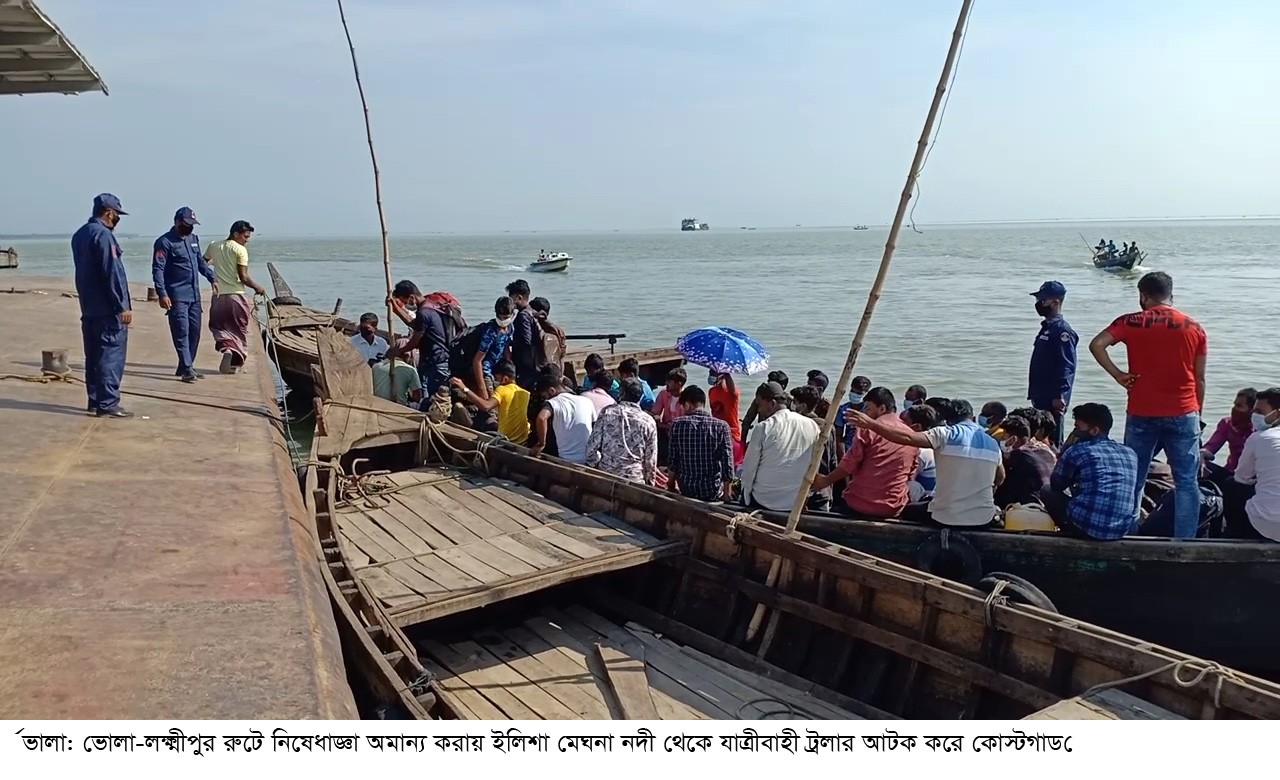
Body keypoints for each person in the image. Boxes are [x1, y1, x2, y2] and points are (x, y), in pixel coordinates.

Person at [1089, 271, 1207, 539]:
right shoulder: (1194, 327)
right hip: (1184, 410)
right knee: (1186, 482)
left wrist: (1118, 375)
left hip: (1142, 411)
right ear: (1170, 295)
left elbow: (1097, 345)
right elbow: (1200, 378)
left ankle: (1129, 534)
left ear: (1143, 295)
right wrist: (1197, 414)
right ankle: (1185, 541)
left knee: (1135, 477)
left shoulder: (1130, 321)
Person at [846, 398, 1003, 528]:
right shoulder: (993, 444)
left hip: (945, 517)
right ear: (973, 417)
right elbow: (1000, 477)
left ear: (947, 421)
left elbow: (907, 438)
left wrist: (871, 424)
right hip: (983, 518)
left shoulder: (945, 434)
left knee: (907, 510)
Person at [72, 193, 133, 418]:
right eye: (117, 215)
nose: (117, 220)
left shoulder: (80, 234)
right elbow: (112, 272)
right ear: (109, 213)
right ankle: (108, 403)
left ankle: (95, 400)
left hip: (89, 307)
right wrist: (122, 305)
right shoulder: (104, 236)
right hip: (108, 310)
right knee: (110, 355)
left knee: (94, 356)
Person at [812, 387, 917, 518]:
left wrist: (825, 481)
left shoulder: (867, 429)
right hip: (894, 506)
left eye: (868, 409)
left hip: (860, 504)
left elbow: (849, 464)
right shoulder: (911, 435)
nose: (865, 414)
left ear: (882, 409)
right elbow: (911, 474)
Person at [1041, 403, 1139, 540]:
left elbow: (1056, 484)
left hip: (1089, 528)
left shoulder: (1077, 450)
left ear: (1094, 431)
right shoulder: (1129, 453)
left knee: (1047, 491)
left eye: (1077, 428)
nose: (1074, 432)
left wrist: (1065, 451)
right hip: (1120, 530)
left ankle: (1069, 534)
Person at [152, 206, 216, 383]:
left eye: (192, 224)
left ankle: (186, 366)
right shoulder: (164, 242)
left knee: (194, 332)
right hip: (176, 295)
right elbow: (158, 269)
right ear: (177, 222)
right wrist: (162, 293)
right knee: (181, 331)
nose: (190, 227)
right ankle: (187, 368)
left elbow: (200, 263)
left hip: (194, 295)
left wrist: (212, 277)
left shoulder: (193, 239)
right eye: (187, 224)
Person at [740, 381, 820, 511]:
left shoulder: (764, 427)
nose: (759, 410)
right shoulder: (812, 425)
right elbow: (813, 465)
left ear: (772, 403)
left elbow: (749, 470)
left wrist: (745, 498)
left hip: (763, 499)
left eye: (760, 405)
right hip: (795, 501)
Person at [205, 220, 264, 373]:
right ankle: (235, 363)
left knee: (219, 327)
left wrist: (214, 268)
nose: (247, 240)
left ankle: (227, 350)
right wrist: (258, 287)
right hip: (235, 297)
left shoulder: (214, 245)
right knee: (238, 329)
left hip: (218, 297)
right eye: (245, 236)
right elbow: (243, 277)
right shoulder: (240, 250)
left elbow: (203, 263)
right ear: (236, 234)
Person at [1027, 281, 1078, 447]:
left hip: (1053, 398)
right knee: (1040, 439)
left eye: (1042, 300)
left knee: (1053, 441)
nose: (1038, 304)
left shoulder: (1062, 330)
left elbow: (1067, 365)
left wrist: (1061, 395)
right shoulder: (1047, 327)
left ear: (1055, 302)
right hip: (1040, 394)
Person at [385, 280, 451, 404]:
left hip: (437, 360)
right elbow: (414, 324)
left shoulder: (424, 312)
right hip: (428, 360)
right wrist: (396, 309)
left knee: (435, 398)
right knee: (424, 395)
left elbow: (415, 340)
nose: (406, 305)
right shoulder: (428, 306)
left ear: (411, 297)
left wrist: (398, 351)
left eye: (405, 302)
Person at [665, 385, 735, 502]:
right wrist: (727, 494)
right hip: (712, 491)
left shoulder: (677, 424)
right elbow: (727, 464)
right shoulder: (722, 426)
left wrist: (671, 486)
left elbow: (673, 460)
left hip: (686, 489)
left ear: (687, 405)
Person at [585, 378, 658, 484]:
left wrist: (596, 465)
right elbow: (651, 459)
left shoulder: (607, 412)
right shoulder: (648, 421)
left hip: (606, 475)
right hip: (634, 479)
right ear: (641, 396)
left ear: (621, 394)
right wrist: (650, 483)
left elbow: (591, 448)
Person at [1235, 388, 1280, 541]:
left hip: (1266, 523)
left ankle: (1235, 536)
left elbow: (1241, 478)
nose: (1254, 416)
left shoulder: (1259, 437)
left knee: (1232, 486)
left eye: (1259, 412)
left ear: (1277, 414)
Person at [451, 361, 530, 444]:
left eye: (497, 378)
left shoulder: (503, 389)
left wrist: (464, 388)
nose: (496, 381)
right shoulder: (525, 393)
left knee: (459, 407)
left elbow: (486, 406)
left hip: (505, 439)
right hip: (523, 440)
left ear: (505, 378)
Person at [529, 373, 598, 464]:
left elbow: (542, 418)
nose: (544, 399)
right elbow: (595, 428)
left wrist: (541, 444)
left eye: (544, 396)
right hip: (591, 459)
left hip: (568, 459)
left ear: (551, 391)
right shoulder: (586, 401)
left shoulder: (553, 402)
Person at [790, 385, 838, 510]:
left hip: (798, 488)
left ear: (802, 406)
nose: (792, 406)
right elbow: (833, 461)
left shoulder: (796, 426)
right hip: (822, 488)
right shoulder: (828, 427)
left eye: (795, 402)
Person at [993, 416, 1057, 508]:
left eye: (1003, 438)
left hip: (1030, 506)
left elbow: (1000, 480)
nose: (1002, 442)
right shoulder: (1044, 451)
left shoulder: (1017, 455)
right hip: (1048, 503)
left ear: (1013, 439)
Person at [1202, 387, 1257, 477]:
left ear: (1252, 410)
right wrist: (1202, 455)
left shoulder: (1259, 430)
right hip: (1230, 473)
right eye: (1234, 405)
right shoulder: (1227, 424)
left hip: (1253, 477)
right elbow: (1211, 447)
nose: (1234, 409)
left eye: (1239, 406)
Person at [470, 296, 516, 399]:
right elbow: (477, 360)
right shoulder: (490, 332)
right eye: (500, 317)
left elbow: (506, 348)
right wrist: (482, 387)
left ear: (513, 314)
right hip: (485, 370)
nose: (502, 320)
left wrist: (509, 371)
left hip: (497, 369)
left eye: (505, 318)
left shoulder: (510, 328)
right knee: (489, 401)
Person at [505, 279, 539, 389]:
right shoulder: (532, 312)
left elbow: (526, 341)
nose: (510, 303)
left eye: (511, 299)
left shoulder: (523, 316)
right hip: (534, 361)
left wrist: (509, 342)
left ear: (519, 297)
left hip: (525, 363)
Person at [903, 403, 939, 501]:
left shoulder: (922, 452)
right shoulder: (931, 444)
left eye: (904, 422)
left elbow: (906, 477)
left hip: (925, 498)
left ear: (917, 427)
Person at [741, 369, 789, 439]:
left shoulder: (789, 401)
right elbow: (747, 420)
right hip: (763, 433)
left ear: (783, 386)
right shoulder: (762, 399)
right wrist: (742, 441)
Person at [835, 375, 873, 456]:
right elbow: (838, 436)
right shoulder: (844, 409)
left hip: (866, 449)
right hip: (848, 448)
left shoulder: (870, 411)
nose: (855, 395)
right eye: (853, 391)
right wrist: (842, 456)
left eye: (859, 393)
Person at [528, 296, 566, 371]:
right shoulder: (558, 331)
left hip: (539, 371)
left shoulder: (533, 329)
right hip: (556, 370)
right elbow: (562, 354)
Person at [709, 371, 743, 446]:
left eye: (714, 374)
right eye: (711, 372)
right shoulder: (711, 391)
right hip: (717, 433)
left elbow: (732, 389)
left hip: (732, 434)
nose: (711, 375)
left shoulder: (732, 393)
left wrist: (726, 374)